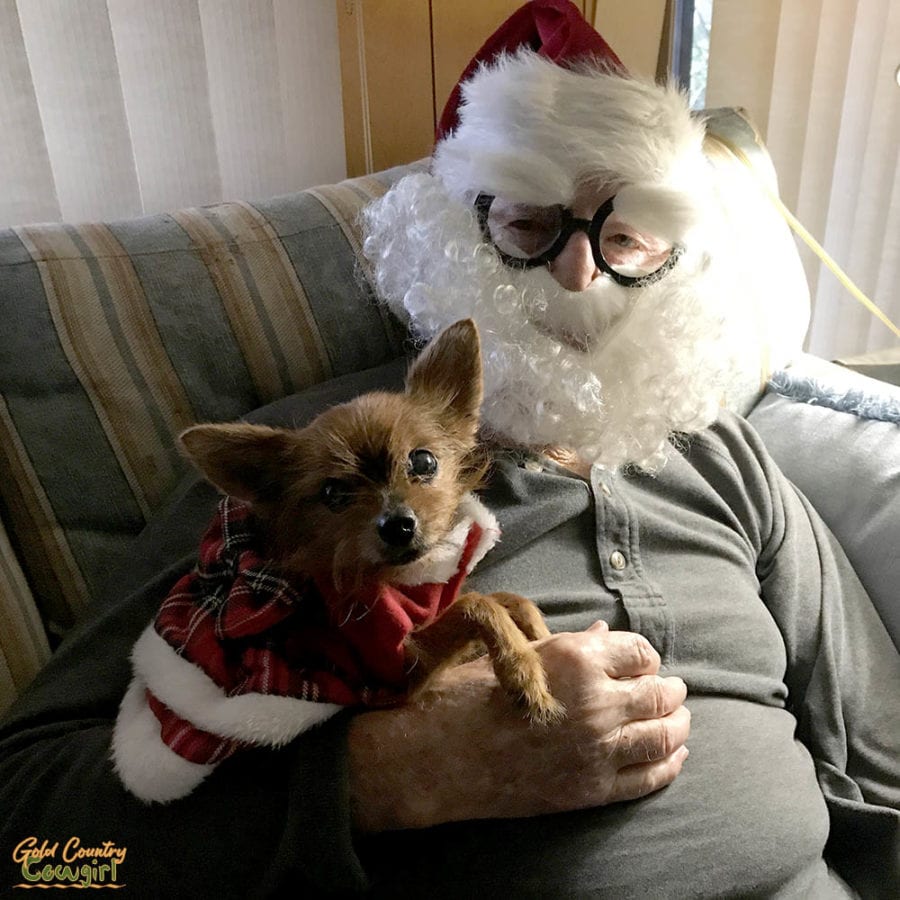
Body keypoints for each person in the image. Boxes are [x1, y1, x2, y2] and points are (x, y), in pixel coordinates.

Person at [1, 3, 897, 898]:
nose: (579, 277)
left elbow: (883, 768)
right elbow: (32, 848)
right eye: (530, 226)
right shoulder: (298, 478)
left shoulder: (723, 454)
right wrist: (392, 776)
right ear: (451, 231)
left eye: (621, 238)